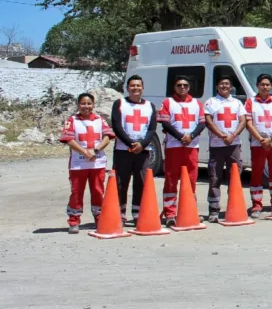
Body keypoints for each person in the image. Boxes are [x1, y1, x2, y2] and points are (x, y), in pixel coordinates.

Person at [59, 93, 114, 234]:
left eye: (89, 103)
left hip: (97, 163)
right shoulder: (72, 120)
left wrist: (96, 150)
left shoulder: (100, 120)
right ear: (78, 105)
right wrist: (85, 152)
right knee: (77, 192)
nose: (86, 106)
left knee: (98, 191)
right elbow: (69, 139)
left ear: (93, 105)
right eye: (83, 103)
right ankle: (74, 221)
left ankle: (100, 218)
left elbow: (108, 137)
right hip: (78, 164)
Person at [157, 76, 206, 227]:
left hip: (192, 146)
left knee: (191, 179)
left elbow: (202, 123)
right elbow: (165, 123)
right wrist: (180, 137)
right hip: (173, 146)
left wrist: (190, 136)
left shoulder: (197, 103)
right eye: (179, 85)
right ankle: (170, 212)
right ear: (175, 87)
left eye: (185, 85)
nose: (182, 87)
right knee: (171, 179)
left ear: (189, 87)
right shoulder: (168, 102)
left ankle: (189, 209)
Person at [110, 75, 158, 224]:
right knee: (121, 182)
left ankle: (137, 212)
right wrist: (131, 144)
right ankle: (120, 212)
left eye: (138, 86)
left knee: (141, 181)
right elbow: (117, 126)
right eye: (132, 86)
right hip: (123, 150)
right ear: (127, 88)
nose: (135, 88)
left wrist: (142, 145)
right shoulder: (120, 103)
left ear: (143, 88)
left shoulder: (149, 106)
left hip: (142, 151)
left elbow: (151, 129)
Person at [203, 76, 247, 223]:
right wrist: (221, 135)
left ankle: (234, 207)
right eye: (221, 83)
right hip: (217, 145)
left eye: (227, 84)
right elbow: (208, 121)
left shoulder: (237, 103)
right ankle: (214, 209)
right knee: (215, 177)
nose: (224, 86)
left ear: (231, 87)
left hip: (234, 145)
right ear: (217, 86)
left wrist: (233, 135)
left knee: (235, 176)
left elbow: (243, 120)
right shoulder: (211, 102)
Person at [243, 74, 272, 218]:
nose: (265, 87)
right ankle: (256, 205)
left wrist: (271, 138)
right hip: (258, 144)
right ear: (257, 85)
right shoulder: (251, 102)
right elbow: (248, 124)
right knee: (257, 174)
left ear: (271, 86)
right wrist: (261, 139)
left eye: (267, 84)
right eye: (262, 84)